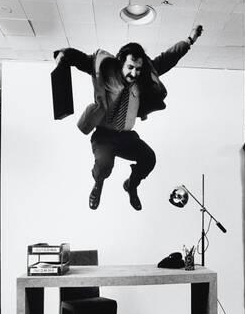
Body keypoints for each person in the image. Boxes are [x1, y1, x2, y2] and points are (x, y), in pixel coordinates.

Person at [54, 25, 203, 210]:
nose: (134, 73)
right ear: (120, 62)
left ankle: (131, 186)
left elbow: (167, 59)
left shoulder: (142, 78)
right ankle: (98, 183)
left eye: (138, 69)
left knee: (149, 158)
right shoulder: (106, 71)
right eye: (130, 67)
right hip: (104, 135)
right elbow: (82, 60)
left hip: (126, 136)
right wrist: (64, 54)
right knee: (104, 165)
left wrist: (189, 41)